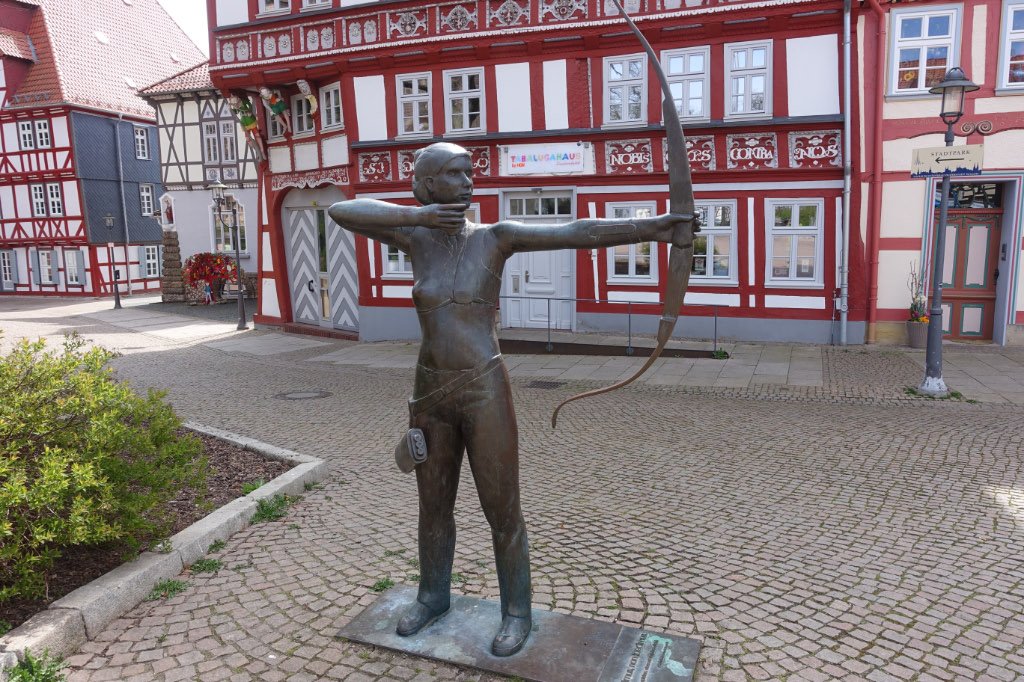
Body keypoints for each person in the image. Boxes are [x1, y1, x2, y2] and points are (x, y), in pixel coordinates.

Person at [328, 142, 695, 657]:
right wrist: (421, 217)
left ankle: (516, 611)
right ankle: (432, 596)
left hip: (484, 389)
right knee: (433, 507)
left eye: (470, 173)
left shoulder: (495, 237)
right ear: (429, 184)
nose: (468, 183)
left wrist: (657, 227)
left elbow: (575, 232)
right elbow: (341, 210)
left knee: (502, 509)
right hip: (430, 392)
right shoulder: (414, 236)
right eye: (455, 174)